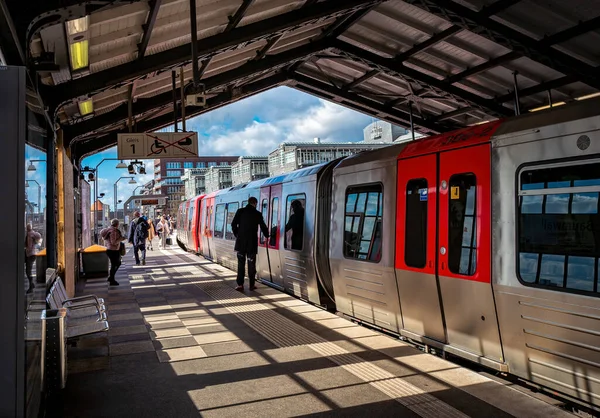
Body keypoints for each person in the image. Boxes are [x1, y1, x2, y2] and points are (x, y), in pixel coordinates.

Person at [231, 197, 269, 292]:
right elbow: (263, 227)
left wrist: (237, 235)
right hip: (252, 243)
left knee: (241, 264)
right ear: (255, 203)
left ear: (248, 202)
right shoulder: (257, 214)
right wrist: (268, 235)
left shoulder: (240, 211)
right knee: (251, 264)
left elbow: (233, 224)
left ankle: (240, 285)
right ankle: (252, 285)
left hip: (241, 243)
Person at [100, 219, 125, 286]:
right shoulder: (113, 231)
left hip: (110, 250)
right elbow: (113, 242)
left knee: (116, 264)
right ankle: (112, 280)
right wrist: (121, 239)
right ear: (117, 224)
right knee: (115, 265)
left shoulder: (109, 229)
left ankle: (111, 277)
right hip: (113, 250)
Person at [25, 224, 41, 294]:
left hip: (31, 254)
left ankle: (31, 286)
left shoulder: (31, 234)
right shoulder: (30, 234)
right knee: (28, 270)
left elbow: (38, 236)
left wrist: (29, 248)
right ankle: (31, 285)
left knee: (28, 270)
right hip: (30, 254)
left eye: (27, 228)